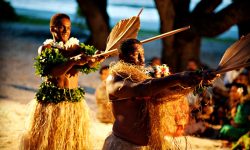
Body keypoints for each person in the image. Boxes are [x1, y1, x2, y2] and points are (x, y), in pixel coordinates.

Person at [102, 39, 216, 150]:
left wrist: (198, 80)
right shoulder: (114, 79)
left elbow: (165, 92)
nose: (142, 60)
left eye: (143, 55)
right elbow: (141, 89)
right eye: (136, 55)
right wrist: (178, 77)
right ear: (122, 58)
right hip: (123, 145)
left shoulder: (141, 78)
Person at [20, 13, 103, 150]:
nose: (66, 31)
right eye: (61, 27)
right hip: (51, 102)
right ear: (53, 29)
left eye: (69, 28)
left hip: (73, 102)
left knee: (71, 141)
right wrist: (73, 61)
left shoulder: (76, 47)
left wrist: (97, 59)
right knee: (49, 140)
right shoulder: (46, 49)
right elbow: (52, 72)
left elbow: (89, 64)